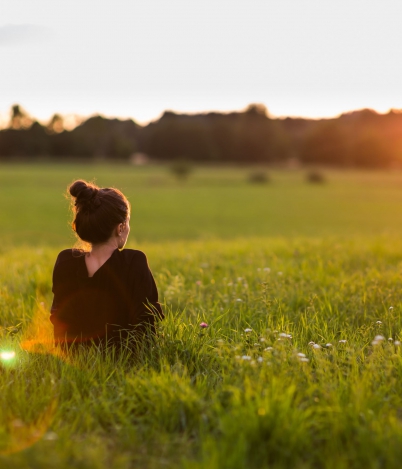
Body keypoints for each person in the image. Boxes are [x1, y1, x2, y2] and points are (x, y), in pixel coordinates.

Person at [50, 179, 163, 348]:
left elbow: (59, 319)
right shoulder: (133, 262)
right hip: (126, 359)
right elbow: (146, 321)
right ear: (121, 228)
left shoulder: (66, 262)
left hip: (72, 359)